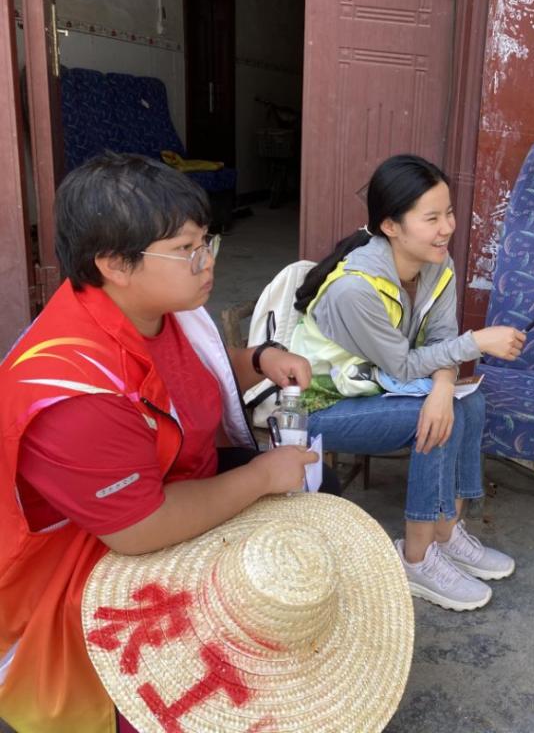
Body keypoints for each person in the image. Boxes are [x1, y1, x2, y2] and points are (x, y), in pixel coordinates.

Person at [0, 153, 319, 733]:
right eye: (186, 249)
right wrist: (262, 476)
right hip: (84, 564)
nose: (207, 262)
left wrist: (259, 359)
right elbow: (138, 529)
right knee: (173, 690)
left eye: (207, 242)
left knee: (309, 498)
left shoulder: (157, 311)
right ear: (114, 264)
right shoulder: (75, 392)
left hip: (167, 484)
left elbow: (192, 372)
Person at [291, 154, 524, 611]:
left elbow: (440, 341)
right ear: (390, 226)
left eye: (449, 213)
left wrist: (444, 387)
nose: (447, 228)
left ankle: (446, 532)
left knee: (467, 403)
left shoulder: (435, 264)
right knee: (433, 417)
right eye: (431, 218)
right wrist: (475, 343)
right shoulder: (356, 289)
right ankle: (416, 557)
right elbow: (403, 365)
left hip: (377, 386)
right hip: (321, 405)